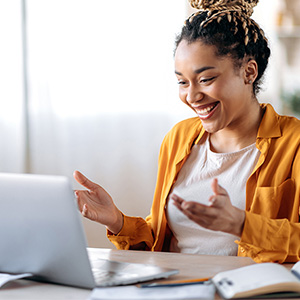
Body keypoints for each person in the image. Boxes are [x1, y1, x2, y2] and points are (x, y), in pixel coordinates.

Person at [74, 0, 300, 263]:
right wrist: (117, 221)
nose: (191, 96)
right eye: (182, 82)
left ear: (249, 72)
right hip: (176, 288)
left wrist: (242, 225)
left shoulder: (293, 143)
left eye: (206, 79)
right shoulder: (179, 139)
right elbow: (161, 241)